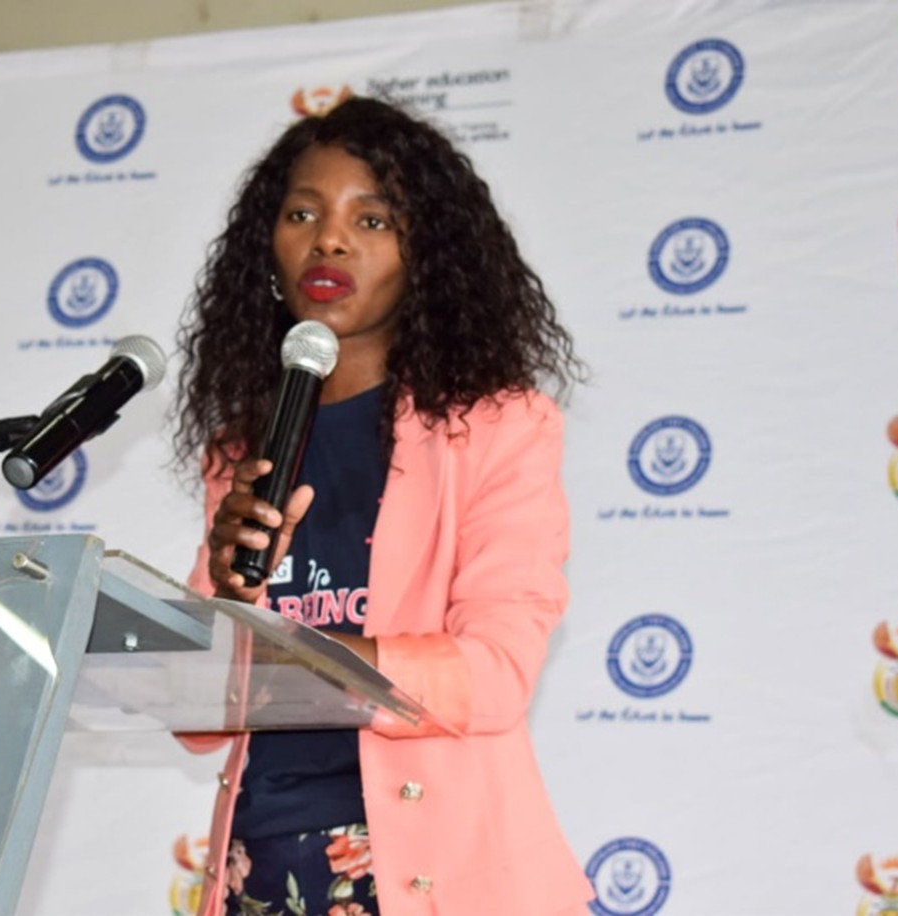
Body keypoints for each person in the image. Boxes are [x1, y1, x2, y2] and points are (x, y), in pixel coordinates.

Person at [173, 96, 590, 916]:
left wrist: (296, 656)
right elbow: (196, 720)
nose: (328, 241)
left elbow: (495, 674)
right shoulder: (240, 449)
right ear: (267, 248)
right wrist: (226, 596)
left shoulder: (498, 430)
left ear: (422, 255)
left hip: (429, 874)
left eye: (371, 220)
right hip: (261, 864)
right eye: (302, 214)